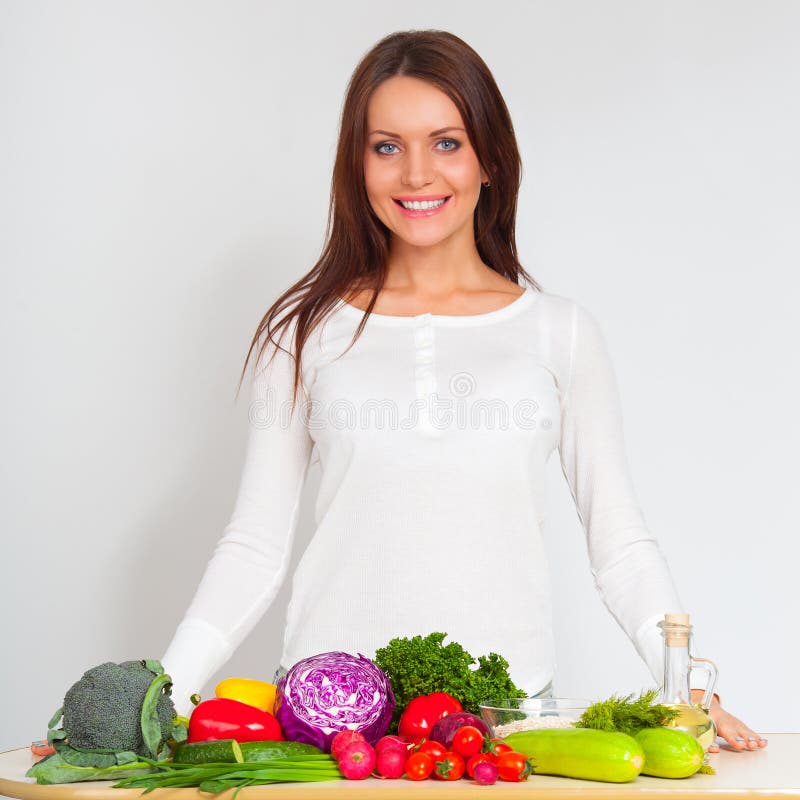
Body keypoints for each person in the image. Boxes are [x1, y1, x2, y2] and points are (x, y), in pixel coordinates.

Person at [161, 29, 765, 753]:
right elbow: (254, 545)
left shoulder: (559, 332)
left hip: (504, 730)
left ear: (490, 160)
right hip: (329, 735)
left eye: (446, 142)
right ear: (357, 167)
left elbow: (620, 541)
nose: (417, 173)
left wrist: (689, 689)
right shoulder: (304, 332)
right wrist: (157, 693)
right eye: (386, 146)